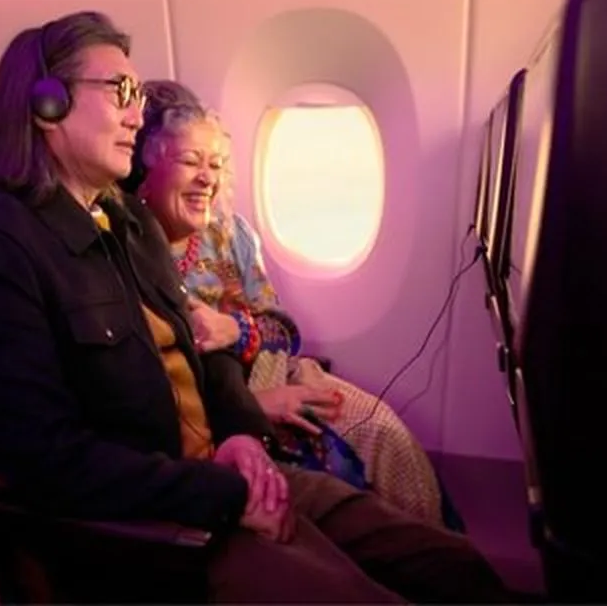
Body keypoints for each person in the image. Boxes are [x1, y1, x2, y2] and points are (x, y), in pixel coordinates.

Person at [0, 10, 508, 602]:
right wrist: (227, 497)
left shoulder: (128, 221)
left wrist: (241, 437)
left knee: (450, 564)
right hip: (161, 527)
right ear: (46, 106)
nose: (137, 113)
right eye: (121, 91)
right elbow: (46, 462)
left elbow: (203, 352)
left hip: (223, 477)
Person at [121, 79, 460, 530]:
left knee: (385, 434)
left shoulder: (231, 234)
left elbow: (284, 329)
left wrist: (235, 330)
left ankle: (434, 566)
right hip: (223, 411)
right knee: (344, 473)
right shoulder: (124, 252)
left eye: (216, 164)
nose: (208, 177)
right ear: (146, 168)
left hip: (277, 371)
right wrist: (256, 402)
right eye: (190, 161)